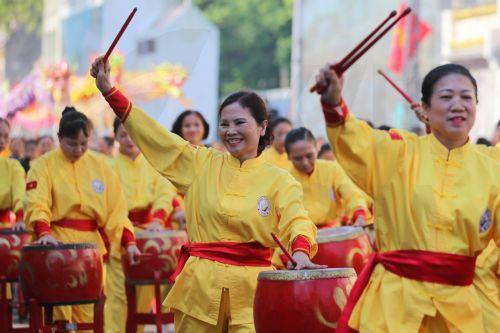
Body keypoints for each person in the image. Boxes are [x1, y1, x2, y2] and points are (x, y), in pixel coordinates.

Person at [91, 56, 323, 332]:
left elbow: (297, 218)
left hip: (252, 293)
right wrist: (109, 91)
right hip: (199, 289)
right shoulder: (200, 163)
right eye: (224, 124)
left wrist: (300, 251)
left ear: (262, 127)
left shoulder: (279, 180)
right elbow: (155, 137)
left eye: (240, 123)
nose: (231, 131)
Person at [314, 63, 499, 332]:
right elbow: (357, 140)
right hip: (392, 305)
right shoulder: (399, 152)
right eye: (446, 97)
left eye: (466, 97)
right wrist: (333, 104)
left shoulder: (493, 168)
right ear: (424, 109)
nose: (458, 105)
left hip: (459, 311)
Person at [24, 106, 141, 329]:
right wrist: (44, 232)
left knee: (89, 313)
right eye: (71, 144)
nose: (78, 149)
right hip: (55, 245)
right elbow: (35, 202)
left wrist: (130, 242)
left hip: (91, 250)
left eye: (84, 144)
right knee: (58, 313)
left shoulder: (102, 166)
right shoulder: (43, 165)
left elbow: (116, 210)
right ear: (59, 138)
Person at [105, 117, 178, 333]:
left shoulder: (155, 164)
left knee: (145, 298)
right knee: (117, 298)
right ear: (115, 137)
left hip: (150, 236)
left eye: (132, 134)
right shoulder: (108, 166)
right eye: (123, 135)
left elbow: (165, 192)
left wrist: (157, 219)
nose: (129, 139)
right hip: (119, 236)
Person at [285, 127, 370, 228]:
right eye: (298, 158)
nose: (305, 162)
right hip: (301, 236)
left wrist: (359, 214)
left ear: (317, 148)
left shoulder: (332, 168)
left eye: (309, 156)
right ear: (288, 156)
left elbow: (351, 193)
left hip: (333, 232)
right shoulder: (285, 179)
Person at [0, 118, 25, 229]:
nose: (2, 141)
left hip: (4, 231)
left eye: (6, 136)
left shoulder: (13, 166)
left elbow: (20, 194)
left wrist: (20, 218)